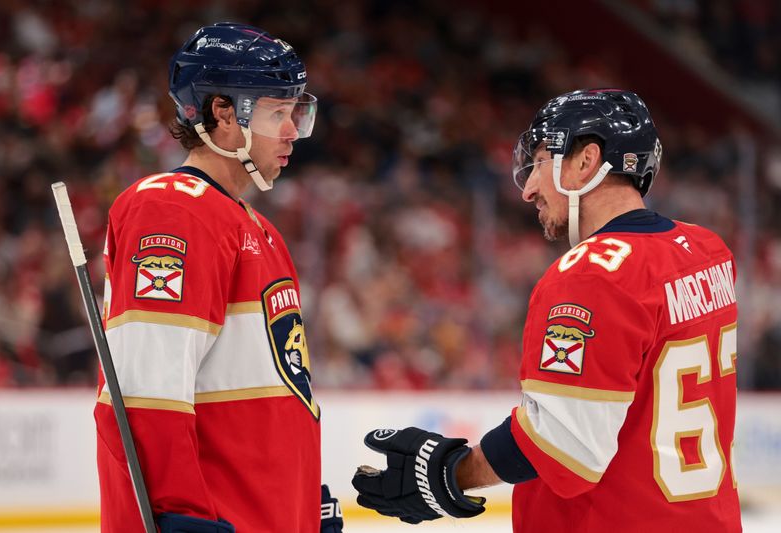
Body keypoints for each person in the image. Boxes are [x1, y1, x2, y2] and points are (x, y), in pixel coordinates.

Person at [352, 89, 741, 532]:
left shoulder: (590, 275)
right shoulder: (706, 249)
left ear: (585, 161)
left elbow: (566, 446)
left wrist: (449, 473)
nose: (529, 189)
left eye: (539, 162)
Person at [96, 22, 342, 533]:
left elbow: (279, 384)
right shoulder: (171, 210)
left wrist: (304, 501)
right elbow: (148, 390)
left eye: (296, 112)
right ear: (222, 113)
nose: (293, 130)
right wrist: (177, 513)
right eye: (277, 112)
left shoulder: (256, 227)